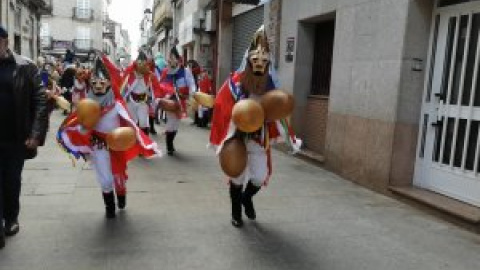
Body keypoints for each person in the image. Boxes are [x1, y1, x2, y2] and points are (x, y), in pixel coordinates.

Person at [210, 26, 301, 228]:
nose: (259, 64)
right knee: (236, 177)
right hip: (238, 139)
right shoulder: (234, 83)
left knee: (259, 177)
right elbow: (221, 107)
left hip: (259, 140)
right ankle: (236, 213)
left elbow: (279, 112)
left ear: (269, 62)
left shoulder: (271, 86)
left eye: (264, 60)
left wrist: (289, 137)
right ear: (248, 60)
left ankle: (246, 198)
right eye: (255, 60)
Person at [57, 57, 161, 219]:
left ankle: (121, 196)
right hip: (98, 146)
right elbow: (80, 114)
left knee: (119, 178)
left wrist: (138, 140)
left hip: (116, 145)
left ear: (108, 83)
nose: (98, 86)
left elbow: (130, 124)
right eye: (95, 83)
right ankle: (109, 206)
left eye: (102, 82)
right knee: (105, 179)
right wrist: (83, 129)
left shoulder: (117, 104)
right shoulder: (87, 102)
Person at [0, 26, 48, 248]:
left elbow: (39, 101)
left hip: (15, 137)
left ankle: (11, 218)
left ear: (5, 42)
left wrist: (36, 134)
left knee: (11, 180)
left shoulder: (25, 67)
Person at [102, 51, 162, 135]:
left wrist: (157, 98)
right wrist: (105, 60)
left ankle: (144, 141)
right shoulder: (129, 73)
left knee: (143, 123)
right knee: (131, 122)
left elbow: (156, 87)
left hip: (143, 101)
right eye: (140, 63)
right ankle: (133, 141)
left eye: (144, 64)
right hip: (131, 100)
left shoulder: (150, 75)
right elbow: (117, 76)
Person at [157, 46, 196, 155]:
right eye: (170, 58)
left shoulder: (185, 71)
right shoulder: (165, 71)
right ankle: (169, 146)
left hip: (181, 100)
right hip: (170, 100)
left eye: (173, 58)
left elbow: (191, 83)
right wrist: (167, 91)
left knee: (176, 124)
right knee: (171, 122)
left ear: (178, 59)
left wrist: (193, 93)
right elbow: (161, 84)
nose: (171, 60)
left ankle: (171, 143)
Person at [187, 60, 213, 128]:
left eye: (203, 72)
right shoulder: (202, 79)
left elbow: (209, 88)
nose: (202, 74)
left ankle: (202, 123)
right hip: (201, 95)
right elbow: (202, 87)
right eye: (202, 73)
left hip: (204, 96)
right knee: (201, 110)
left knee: (203, 110)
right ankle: (201, 123)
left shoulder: (205, 79)